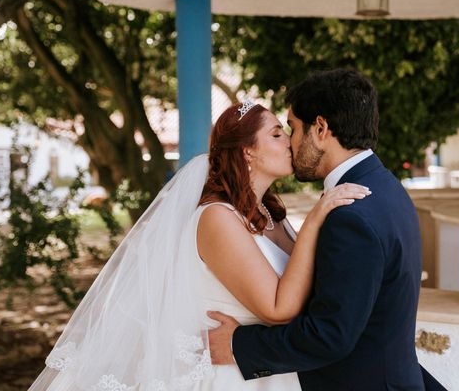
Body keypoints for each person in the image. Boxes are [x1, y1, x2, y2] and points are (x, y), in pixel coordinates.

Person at [28, 99, 369, 391]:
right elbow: (277, 308)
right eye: (277, 134)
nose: (291, 143)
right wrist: (314, 221)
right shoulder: (217, 218)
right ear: (247, 150)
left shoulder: (272, 214)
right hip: (229, 375)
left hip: (268, 369)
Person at [208, 68, 440, 390]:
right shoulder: (386, 187)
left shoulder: (351, 215)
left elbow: (330, 335)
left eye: (292, 128)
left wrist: (239, 345)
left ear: (320, 129)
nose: (290, 142)